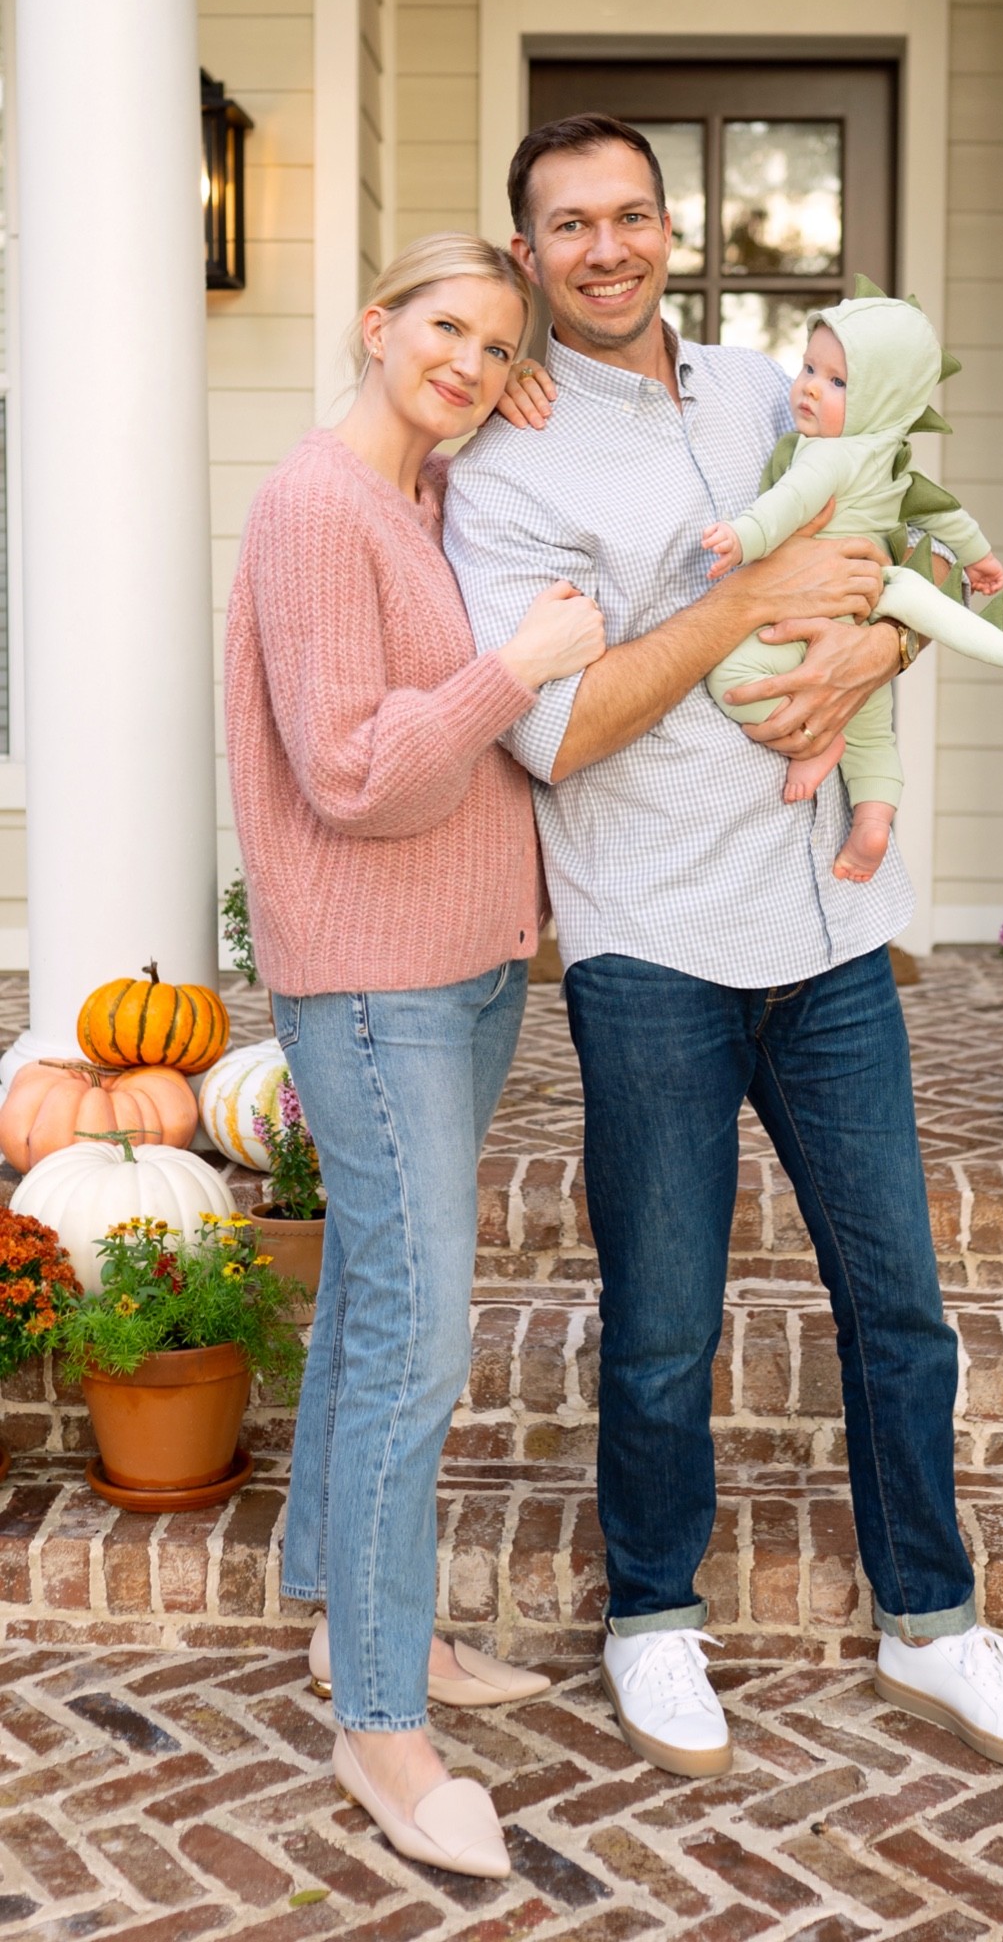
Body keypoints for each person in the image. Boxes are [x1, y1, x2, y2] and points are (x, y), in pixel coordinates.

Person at [448, 114, 1003, 1781]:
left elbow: (885, 552)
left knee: (904, 1302)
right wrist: (741, 604)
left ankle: (933, 1626)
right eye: (569, 224)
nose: (607, 247)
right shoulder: (502, 464)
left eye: (632, 216)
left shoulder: (763, 386)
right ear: (527, 253)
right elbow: (556, 734)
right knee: (664, 1316)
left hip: (827, 926)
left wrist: (874, 644)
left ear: (676, 229)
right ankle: (654, 1616)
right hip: (650, 935)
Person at [224, 233, 605, 1875]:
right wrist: (517, 668)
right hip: (374, 982)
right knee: (415, 1337)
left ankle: (347, 1616)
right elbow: (357, 769)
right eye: (442, 326)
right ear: (375, 323)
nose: (465, 358)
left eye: (494, 340)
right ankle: (383, 1718)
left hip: (463, 971)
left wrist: (511, 406)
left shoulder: (432, 494)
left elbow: (499, 507)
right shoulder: (319, 507)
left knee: (379, 1297)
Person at [701, 283, 1003, 882]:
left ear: (883, 400)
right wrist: (981, 558)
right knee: (871, 725)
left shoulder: (827, 454)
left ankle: (817, 746)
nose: (810, 386)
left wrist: (743, 537)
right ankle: (872, 822)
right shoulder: (892, 457)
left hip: (808, 618)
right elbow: (944, 515)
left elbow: (790, 504)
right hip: (863, 621)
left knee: (730, 676)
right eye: (809, 367)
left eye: (837, 382)